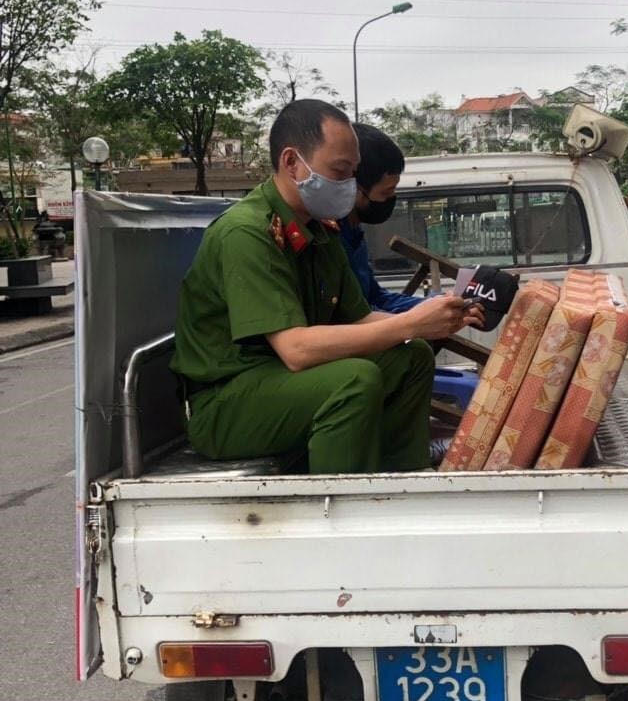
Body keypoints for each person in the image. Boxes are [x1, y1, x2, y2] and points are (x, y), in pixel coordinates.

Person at [171, 99, 481, 475]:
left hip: (281, 383)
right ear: (292, 162)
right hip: (226, 403)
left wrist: (433, 319)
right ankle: (344, 505)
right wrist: (410, 323)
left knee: (412, 357)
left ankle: (399, 480)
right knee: (354, 380)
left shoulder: (319, 228)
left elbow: (360, 317)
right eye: (339, 171)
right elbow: (296, 350)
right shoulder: (247, 233)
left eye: (352, 173)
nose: (348, 185)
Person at [338, 123, 423, 313]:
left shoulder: (355, 234)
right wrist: (417, 318)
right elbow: (356, 315)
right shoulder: (330, 240)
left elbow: (375, 296)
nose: (391, 198)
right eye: (386, 192)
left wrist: (430, 304)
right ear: (355, 188)